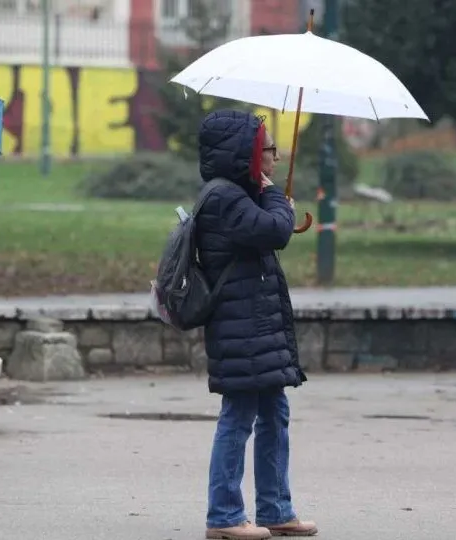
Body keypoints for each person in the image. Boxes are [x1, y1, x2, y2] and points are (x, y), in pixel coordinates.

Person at [195, 109, 317, 539]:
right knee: (239, 415)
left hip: (257, 325)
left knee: (274, 413)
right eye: (268, 148)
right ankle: (224, 516)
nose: (276, 156)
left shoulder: (238, 195)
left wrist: (270, 200)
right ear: (244, 153)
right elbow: (275, 232)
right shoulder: (225, 198)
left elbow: (270, 229)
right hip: (240, 327)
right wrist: (277, 201)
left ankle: (275, 508)